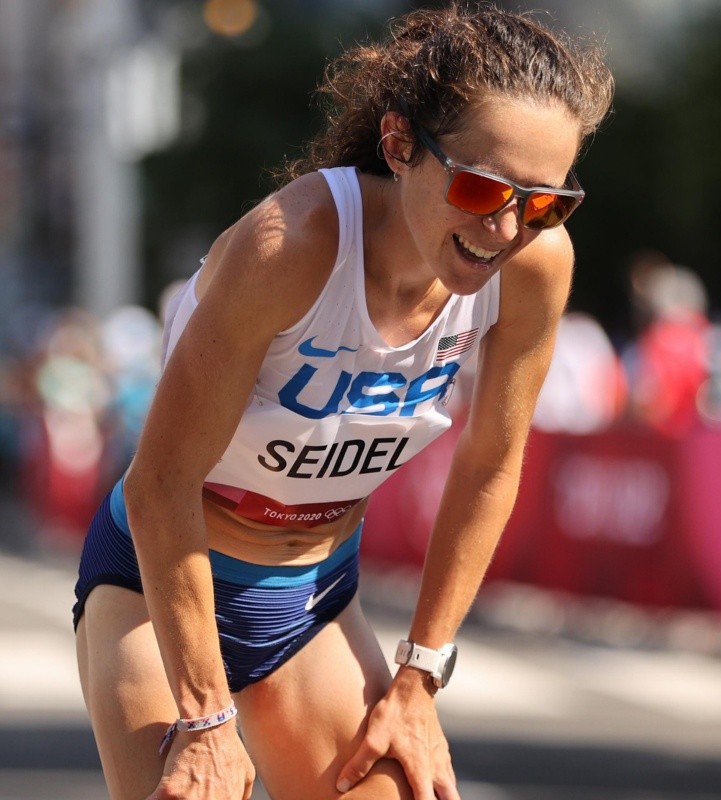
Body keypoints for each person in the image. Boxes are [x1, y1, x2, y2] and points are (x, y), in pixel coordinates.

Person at [72, 3, 614, 799]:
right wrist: (204, 719)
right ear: (400, 146)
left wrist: (420, 678)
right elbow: (160, 485)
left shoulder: (536, 268)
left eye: (546, 204)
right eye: (480, 187)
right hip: (161, 585)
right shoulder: (290, 247)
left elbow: (492, 465)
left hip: (312, 597)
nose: (506, 230)